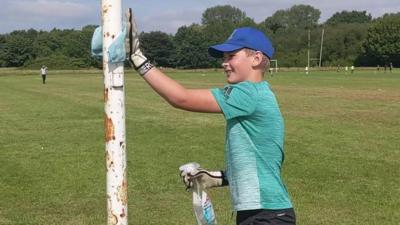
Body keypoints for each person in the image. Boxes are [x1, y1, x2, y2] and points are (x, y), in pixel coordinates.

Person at [126, 10, 295, 225]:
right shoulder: (258, 94)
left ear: (257, 58)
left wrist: (139, 60)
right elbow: (261, 165)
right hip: (262, 212)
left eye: (231, 56)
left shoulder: (248, 93)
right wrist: (216, 178)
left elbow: (182, 98)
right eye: (223, 57)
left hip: (267, 215)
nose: (224, 63)